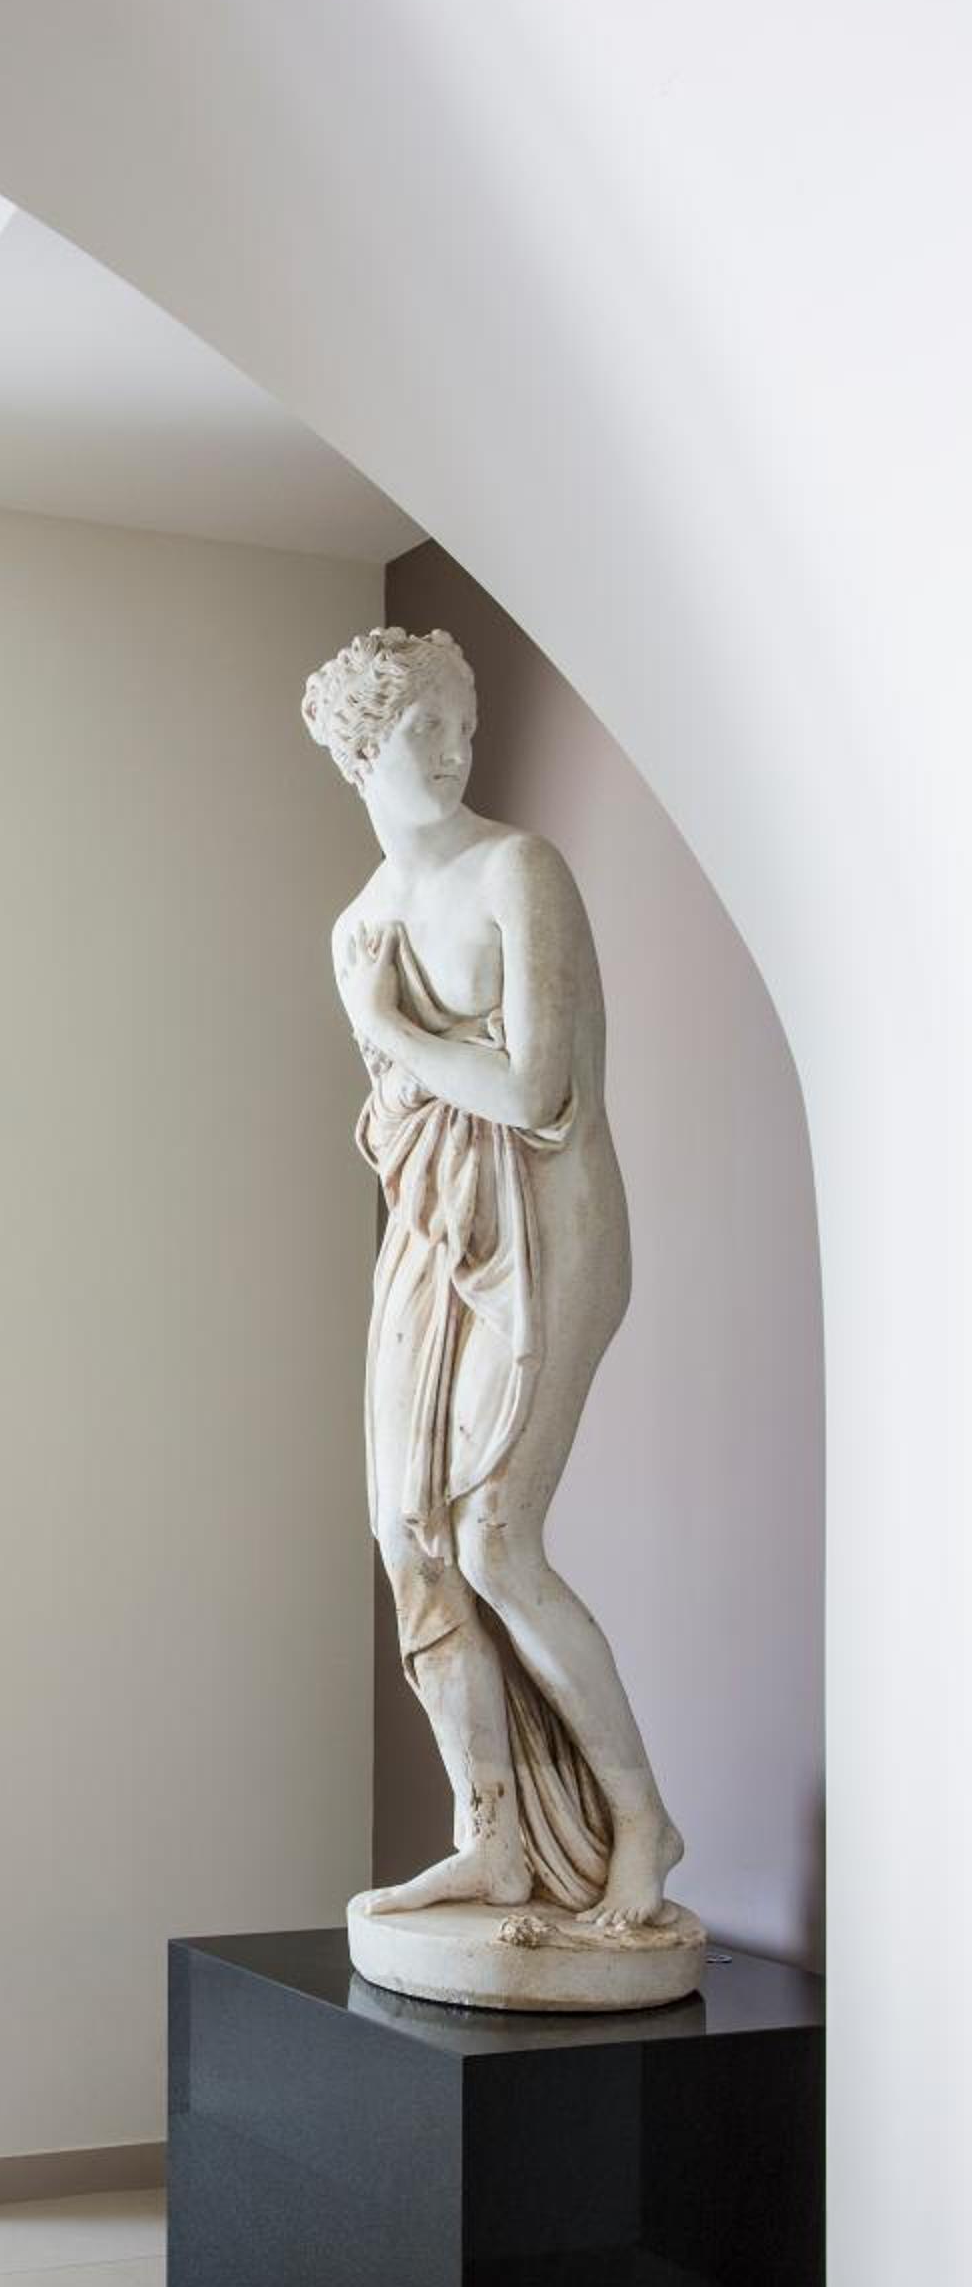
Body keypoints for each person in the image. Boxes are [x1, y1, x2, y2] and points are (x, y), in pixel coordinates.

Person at [302, 625, 681, 1931]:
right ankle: (495, 1838)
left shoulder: (519, 870)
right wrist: (398, 1048)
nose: (459, 748)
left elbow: (533, 1090)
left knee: (495, 1536)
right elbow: (402, 1119)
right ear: (365, 746)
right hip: (433, 1237)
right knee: (410, 1538)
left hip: (550, 1230)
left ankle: (642, 1821)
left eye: (467, 723)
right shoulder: (359, 926)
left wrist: (390, 1026)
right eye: (429, 727)